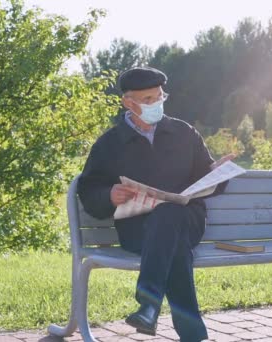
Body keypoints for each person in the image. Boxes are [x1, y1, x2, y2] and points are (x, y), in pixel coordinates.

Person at [77, 66, 232, 341]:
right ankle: (192, 334)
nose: (156, 103)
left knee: (170, 213)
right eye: (148, 100)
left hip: (188, 220)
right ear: (128, 102)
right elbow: (89, 192)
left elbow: (208, 183)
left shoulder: (184, 133)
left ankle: (149, 304)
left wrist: (217, 174)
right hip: (138, 230)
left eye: (159, 97)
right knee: (174, 246)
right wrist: (108, 195)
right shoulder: (109, 144)